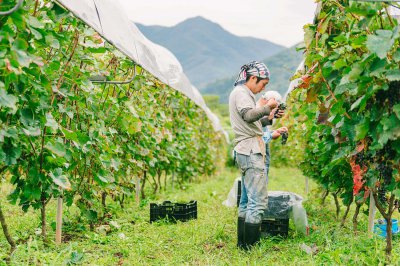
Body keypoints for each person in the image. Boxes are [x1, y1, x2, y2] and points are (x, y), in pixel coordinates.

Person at [229, 61, 284, 249]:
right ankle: (250, 249)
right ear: (253, 78)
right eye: (263, 84)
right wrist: (268, 106)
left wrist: (269, 118)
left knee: (246, 199)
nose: (263, 89)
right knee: (258, 202)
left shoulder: (243, 94)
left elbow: (253, 121)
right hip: (251, 151)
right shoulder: (242, 93)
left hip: (246, 149)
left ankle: (242, 245)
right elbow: (248, 115)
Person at [257, 91, 288, 176]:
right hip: (256, 160)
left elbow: (262, 131)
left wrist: (275, 132)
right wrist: (271, 135)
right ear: (270, 101)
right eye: (274, 107)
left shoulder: (260, 113)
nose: (273, 110)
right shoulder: (255, 112)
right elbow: (255, 139)